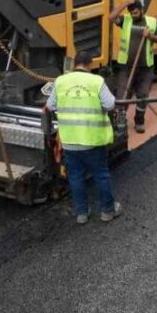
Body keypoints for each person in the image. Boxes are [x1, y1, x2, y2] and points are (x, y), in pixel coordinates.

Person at [45, 51, 121, 225]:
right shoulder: (96, 81)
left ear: (74, 64)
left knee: (76, 178)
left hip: (70, 142)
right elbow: (110, 105)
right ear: (90, 64)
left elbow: (49, 106)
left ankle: (81, 214)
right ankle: (107, 212)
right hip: (93, 141)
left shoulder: (60, 81)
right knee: (101, 175)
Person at [110, 0, 157, 133]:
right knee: (122, 96)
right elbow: (111, 18)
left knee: (143, 94)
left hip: (146, 67)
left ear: (142, 10)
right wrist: (125, 3)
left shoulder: (151, 22)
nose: (133, 15)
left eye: (135, 12)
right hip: (126, 66)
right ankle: (121, 120)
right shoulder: (125, 20)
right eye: (131, 12)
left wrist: (150, 35)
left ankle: (139, 120)